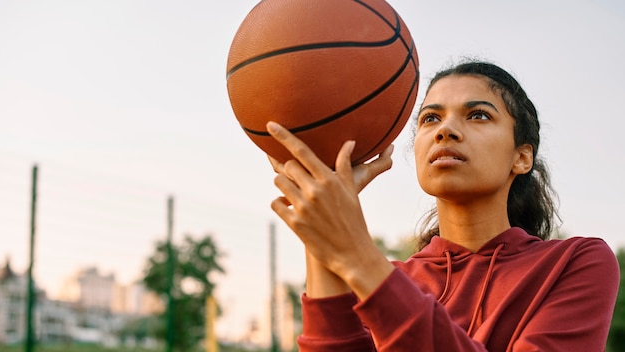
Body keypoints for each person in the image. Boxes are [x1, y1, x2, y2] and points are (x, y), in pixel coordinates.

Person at [265, 60, 619, 351]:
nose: (445, 130)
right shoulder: (388, 279)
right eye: (430, 118)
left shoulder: (576, 263)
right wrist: (322, 229)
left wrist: (354, 254)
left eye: (478, 115)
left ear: (522, 157)